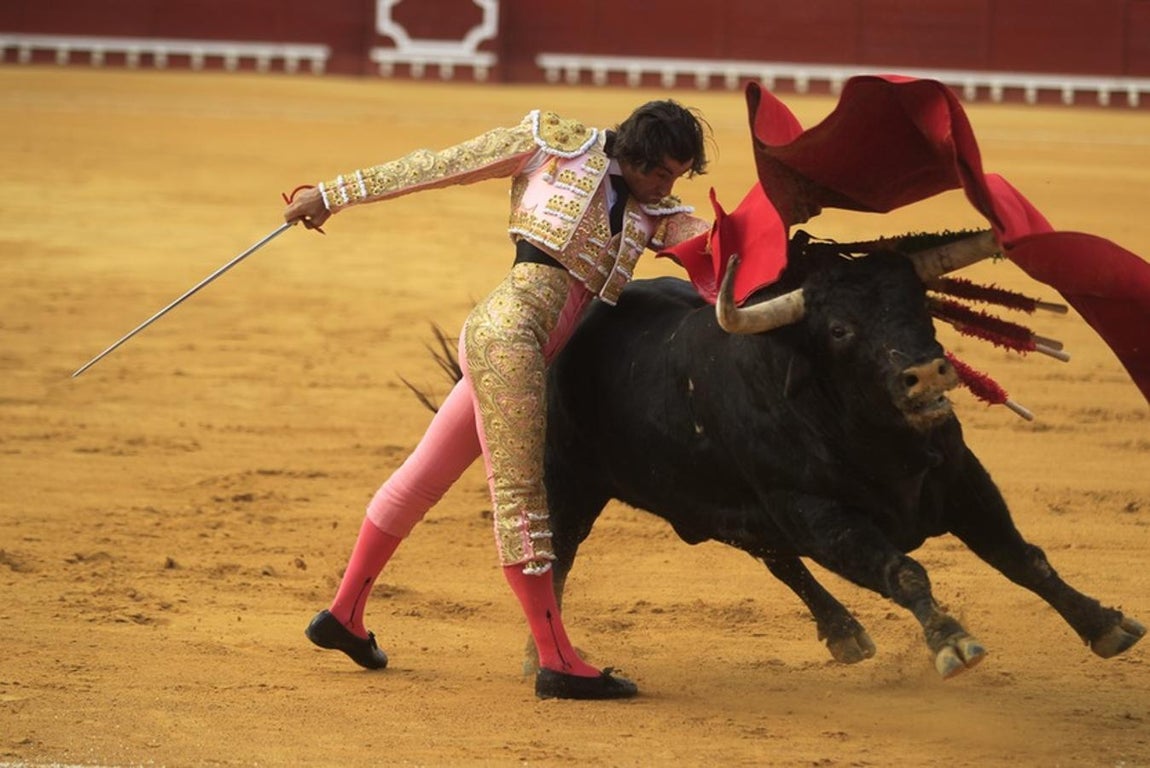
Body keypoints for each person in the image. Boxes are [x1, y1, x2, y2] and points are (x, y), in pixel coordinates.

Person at [283, 100, 711, 700]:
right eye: (660, 172)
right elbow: (441, 165)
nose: (667, 186)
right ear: (636, 152)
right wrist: (332, 195)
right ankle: (556, 660)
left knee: (420, 479)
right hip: (510, 335)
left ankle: (343, 615)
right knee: (521, 497)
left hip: (518, 347)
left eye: (677, 176)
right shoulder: (556, 146)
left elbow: (716, 245)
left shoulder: (654, 211)